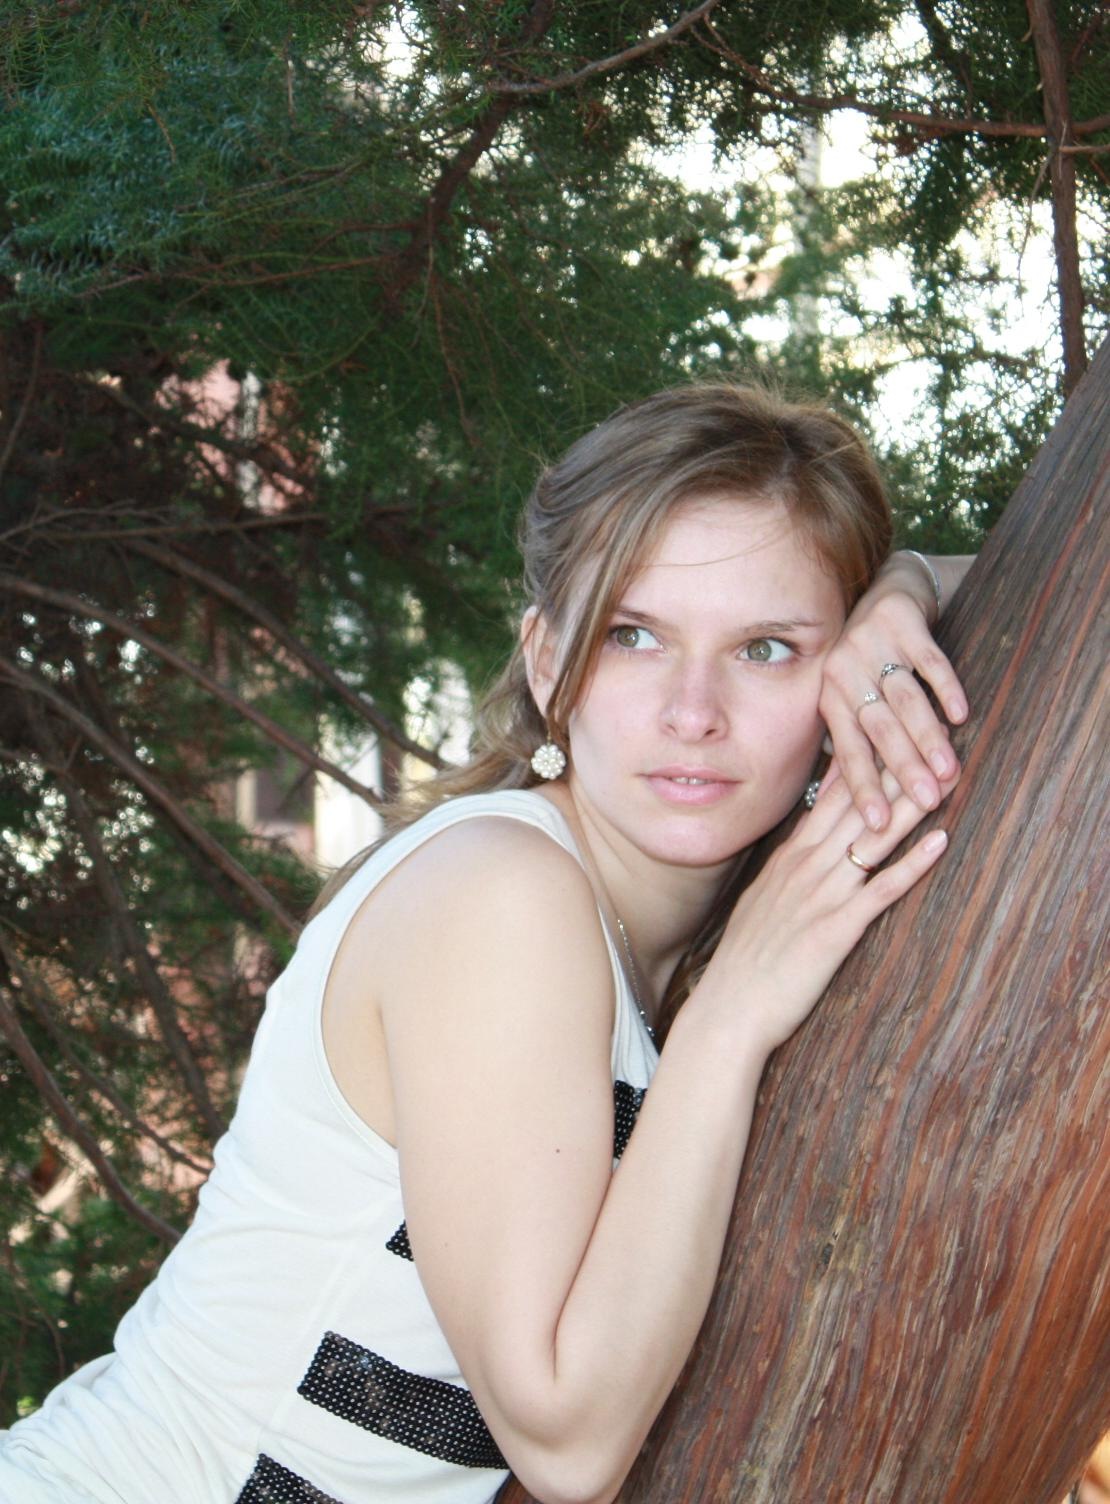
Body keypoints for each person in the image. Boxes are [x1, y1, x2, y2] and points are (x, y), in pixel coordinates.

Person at [0, 383, 972, 1504]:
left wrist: (902, 590)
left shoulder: (627, 930)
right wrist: (731, 1017)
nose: (693, 709)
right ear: (548, 665)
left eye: (766, 648)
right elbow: (566, 1441)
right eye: (635, 636)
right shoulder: (501, 890)